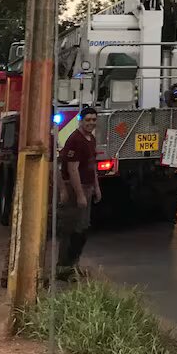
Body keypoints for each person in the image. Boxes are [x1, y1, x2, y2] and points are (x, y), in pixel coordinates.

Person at [56, 107, 101, 281]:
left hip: (88, 187)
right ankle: (64, 268)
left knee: (82, 229)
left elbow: (92, 166)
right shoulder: (75, 140)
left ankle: (73, 265)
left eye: (93, 120)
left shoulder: (91, 139)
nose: (91, 123)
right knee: (72, 229)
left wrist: (96, 188)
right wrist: (80, 194)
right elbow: (72, 169)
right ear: (80, 121)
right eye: (87, 120)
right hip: (76, 189)